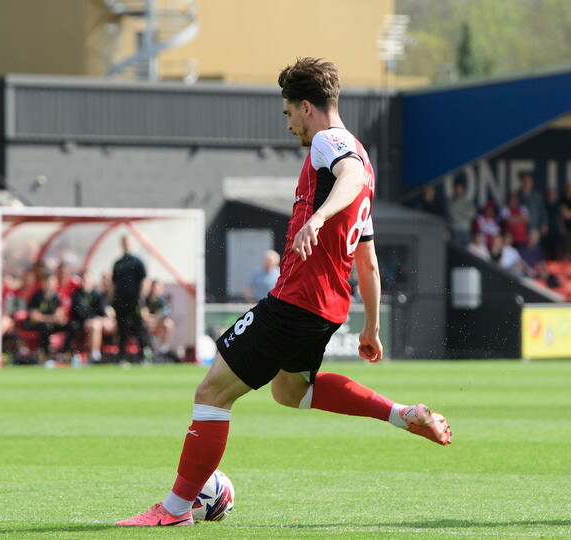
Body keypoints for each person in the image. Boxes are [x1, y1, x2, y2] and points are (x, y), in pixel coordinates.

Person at [117, 58, 451, 528]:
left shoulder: (330, 144)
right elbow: (368, 261)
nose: (289, 123)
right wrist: (372, 326)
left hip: (297, 299)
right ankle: (402, 414)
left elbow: (349, 175)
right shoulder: (362, 174)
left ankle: (175, 510)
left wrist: (316, 218)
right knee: (290, 390)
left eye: (289, 112)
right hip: (328, 308)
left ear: (308, 107)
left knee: (212, 392)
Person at [111, 235, 150, 362]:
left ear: (131, 244)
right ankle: (122, 356)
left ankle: (143, 356)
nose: (126, 245)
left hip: (135, 301)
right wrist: (112, 301)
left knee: (138, 327)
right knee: (122, 329)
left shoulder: (137, 261)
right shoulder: (118, 263)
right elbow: (114, 283)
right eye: (124, 243)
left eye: (128, 242)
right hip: (121, 301)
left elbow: (144, 280)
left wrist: (141, 298)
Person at [66, 269, 114, 364]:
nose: (86, 280)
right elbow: (79, 313)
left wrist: (105, 318)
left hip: (97, 320)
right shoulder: (77, 294)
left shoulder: (97, 294)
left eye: (88, 278)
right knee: (95, 325)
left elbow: (102, 310)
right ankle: (94, 356)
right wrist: (95, 318)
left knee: (113, 325)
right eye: (84, 278)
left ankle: (117, 354)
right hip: (83, 322)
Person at [142, 280, 175, 359]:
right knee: (148, 323)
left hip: (157, 323)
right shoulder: (145, 300)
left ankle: (163, 351)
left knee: (169, 324)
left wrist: (155, 318)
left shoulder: (162, 301)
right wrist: (152, 318)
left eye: (157, 288)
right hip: (146, 325)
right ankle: (147, 349)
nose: (155, 290)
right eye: (154, 288)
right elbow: (144, 314)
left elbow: (165, 315)